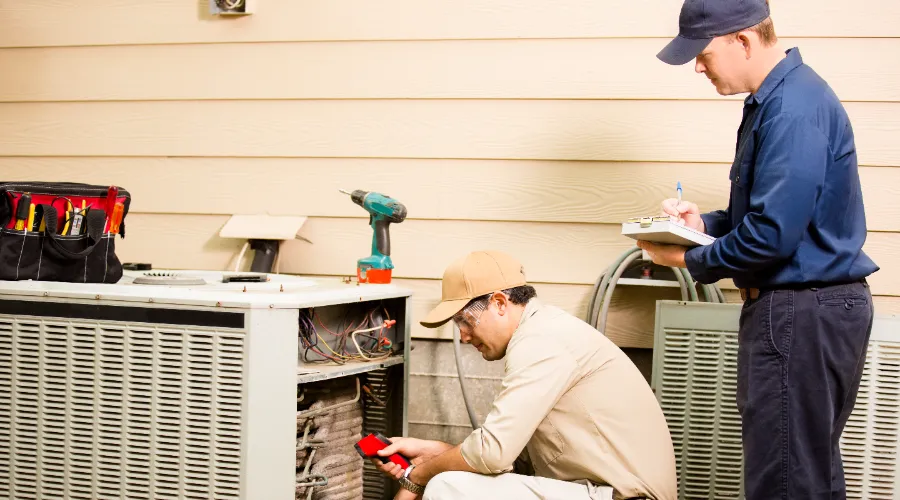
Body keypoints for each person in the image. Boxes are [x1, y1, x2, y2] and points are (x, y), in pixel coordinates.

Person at [639, 0, 879, 498]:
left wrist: (688, 258)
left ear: (743, 40)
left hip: (799, 313)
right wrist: (701, 224)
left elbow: (771, 236)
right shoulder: (784, 99)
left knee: (785, 483)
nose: (698, 67)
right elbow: (774, 215)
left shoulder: (791, 109)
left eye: (702, 54)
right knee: (809, 476)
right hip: (814, 310)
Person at [370, 250, 677, 500]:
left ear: (500, 303)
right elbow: (505, 458)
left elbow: (491, 454)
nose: (463, 335)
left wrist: (420, 476)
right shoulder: (543, 332)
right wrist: (439, 453)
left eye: (465, 320)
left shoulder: (541, 342)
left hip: (625, 496)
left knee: (448, 488)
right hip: (602, 492)